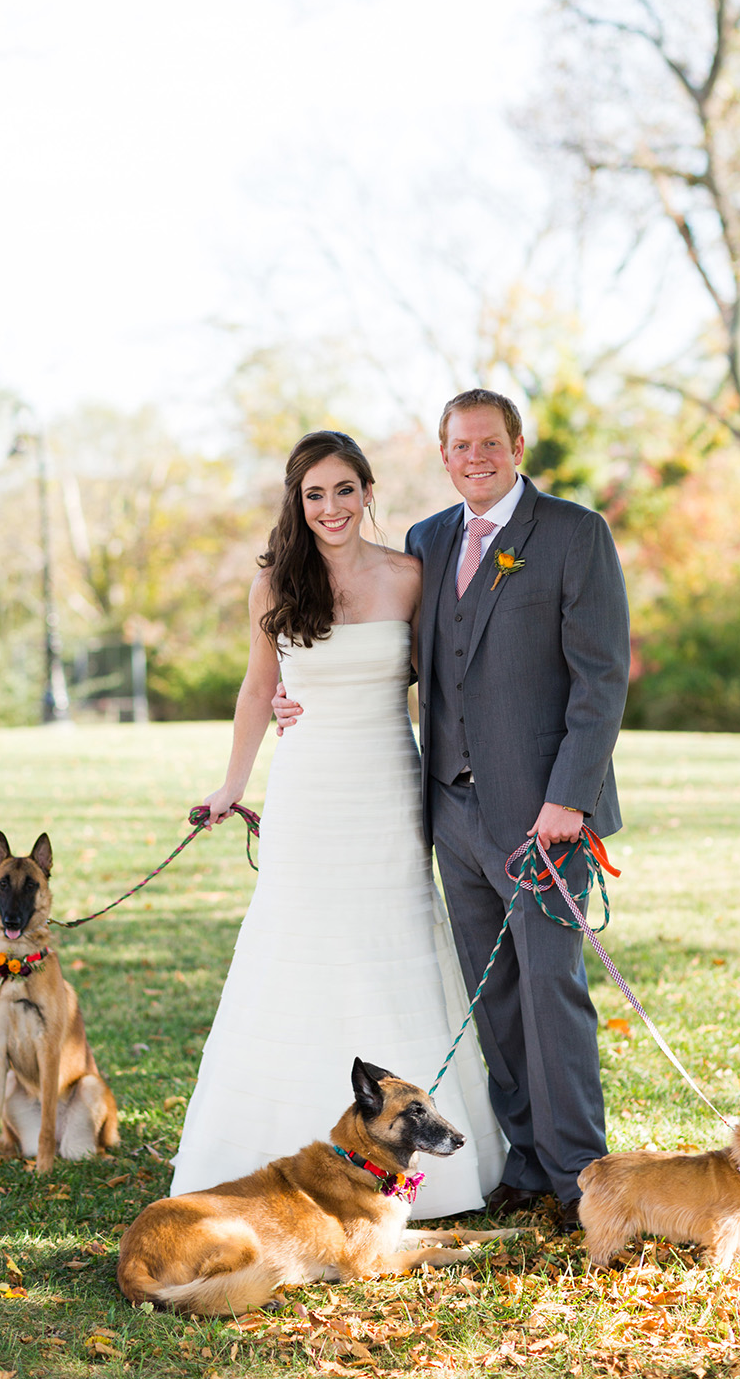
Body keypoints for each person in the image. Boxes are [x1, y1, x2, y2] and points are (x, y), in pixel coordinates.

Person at [275, 392, 630, 1227]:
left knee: (550, 991)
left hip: (546, 817)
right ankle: (530, 1165)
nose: (475, 456)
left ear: (515, 447)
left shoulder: (575, 535)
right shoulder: (430, 542)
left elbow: (601, 680)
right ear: (443, 455)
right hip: (451, 811)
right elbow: (399, 657)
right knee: (492, 994)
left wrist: (567, 800)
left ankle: (582, 1177)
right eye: (459, 445)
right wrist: (302, 700)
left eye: (489, 443)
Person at [169, 430, 504, 1217]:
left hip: (387, 785)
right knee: (297, 945)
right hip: (308, 790)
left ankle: (432, 1163)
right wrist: (230, 785)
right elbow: (259, 692)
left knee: (392, 940)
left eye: (344, 490)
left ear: (367, 492)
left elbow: (449, 681)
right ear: (298, 502)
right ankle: (274, 1151)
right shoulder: (273, 584)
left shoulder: (411, 576)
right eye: (314, 494)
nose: (330, 508)